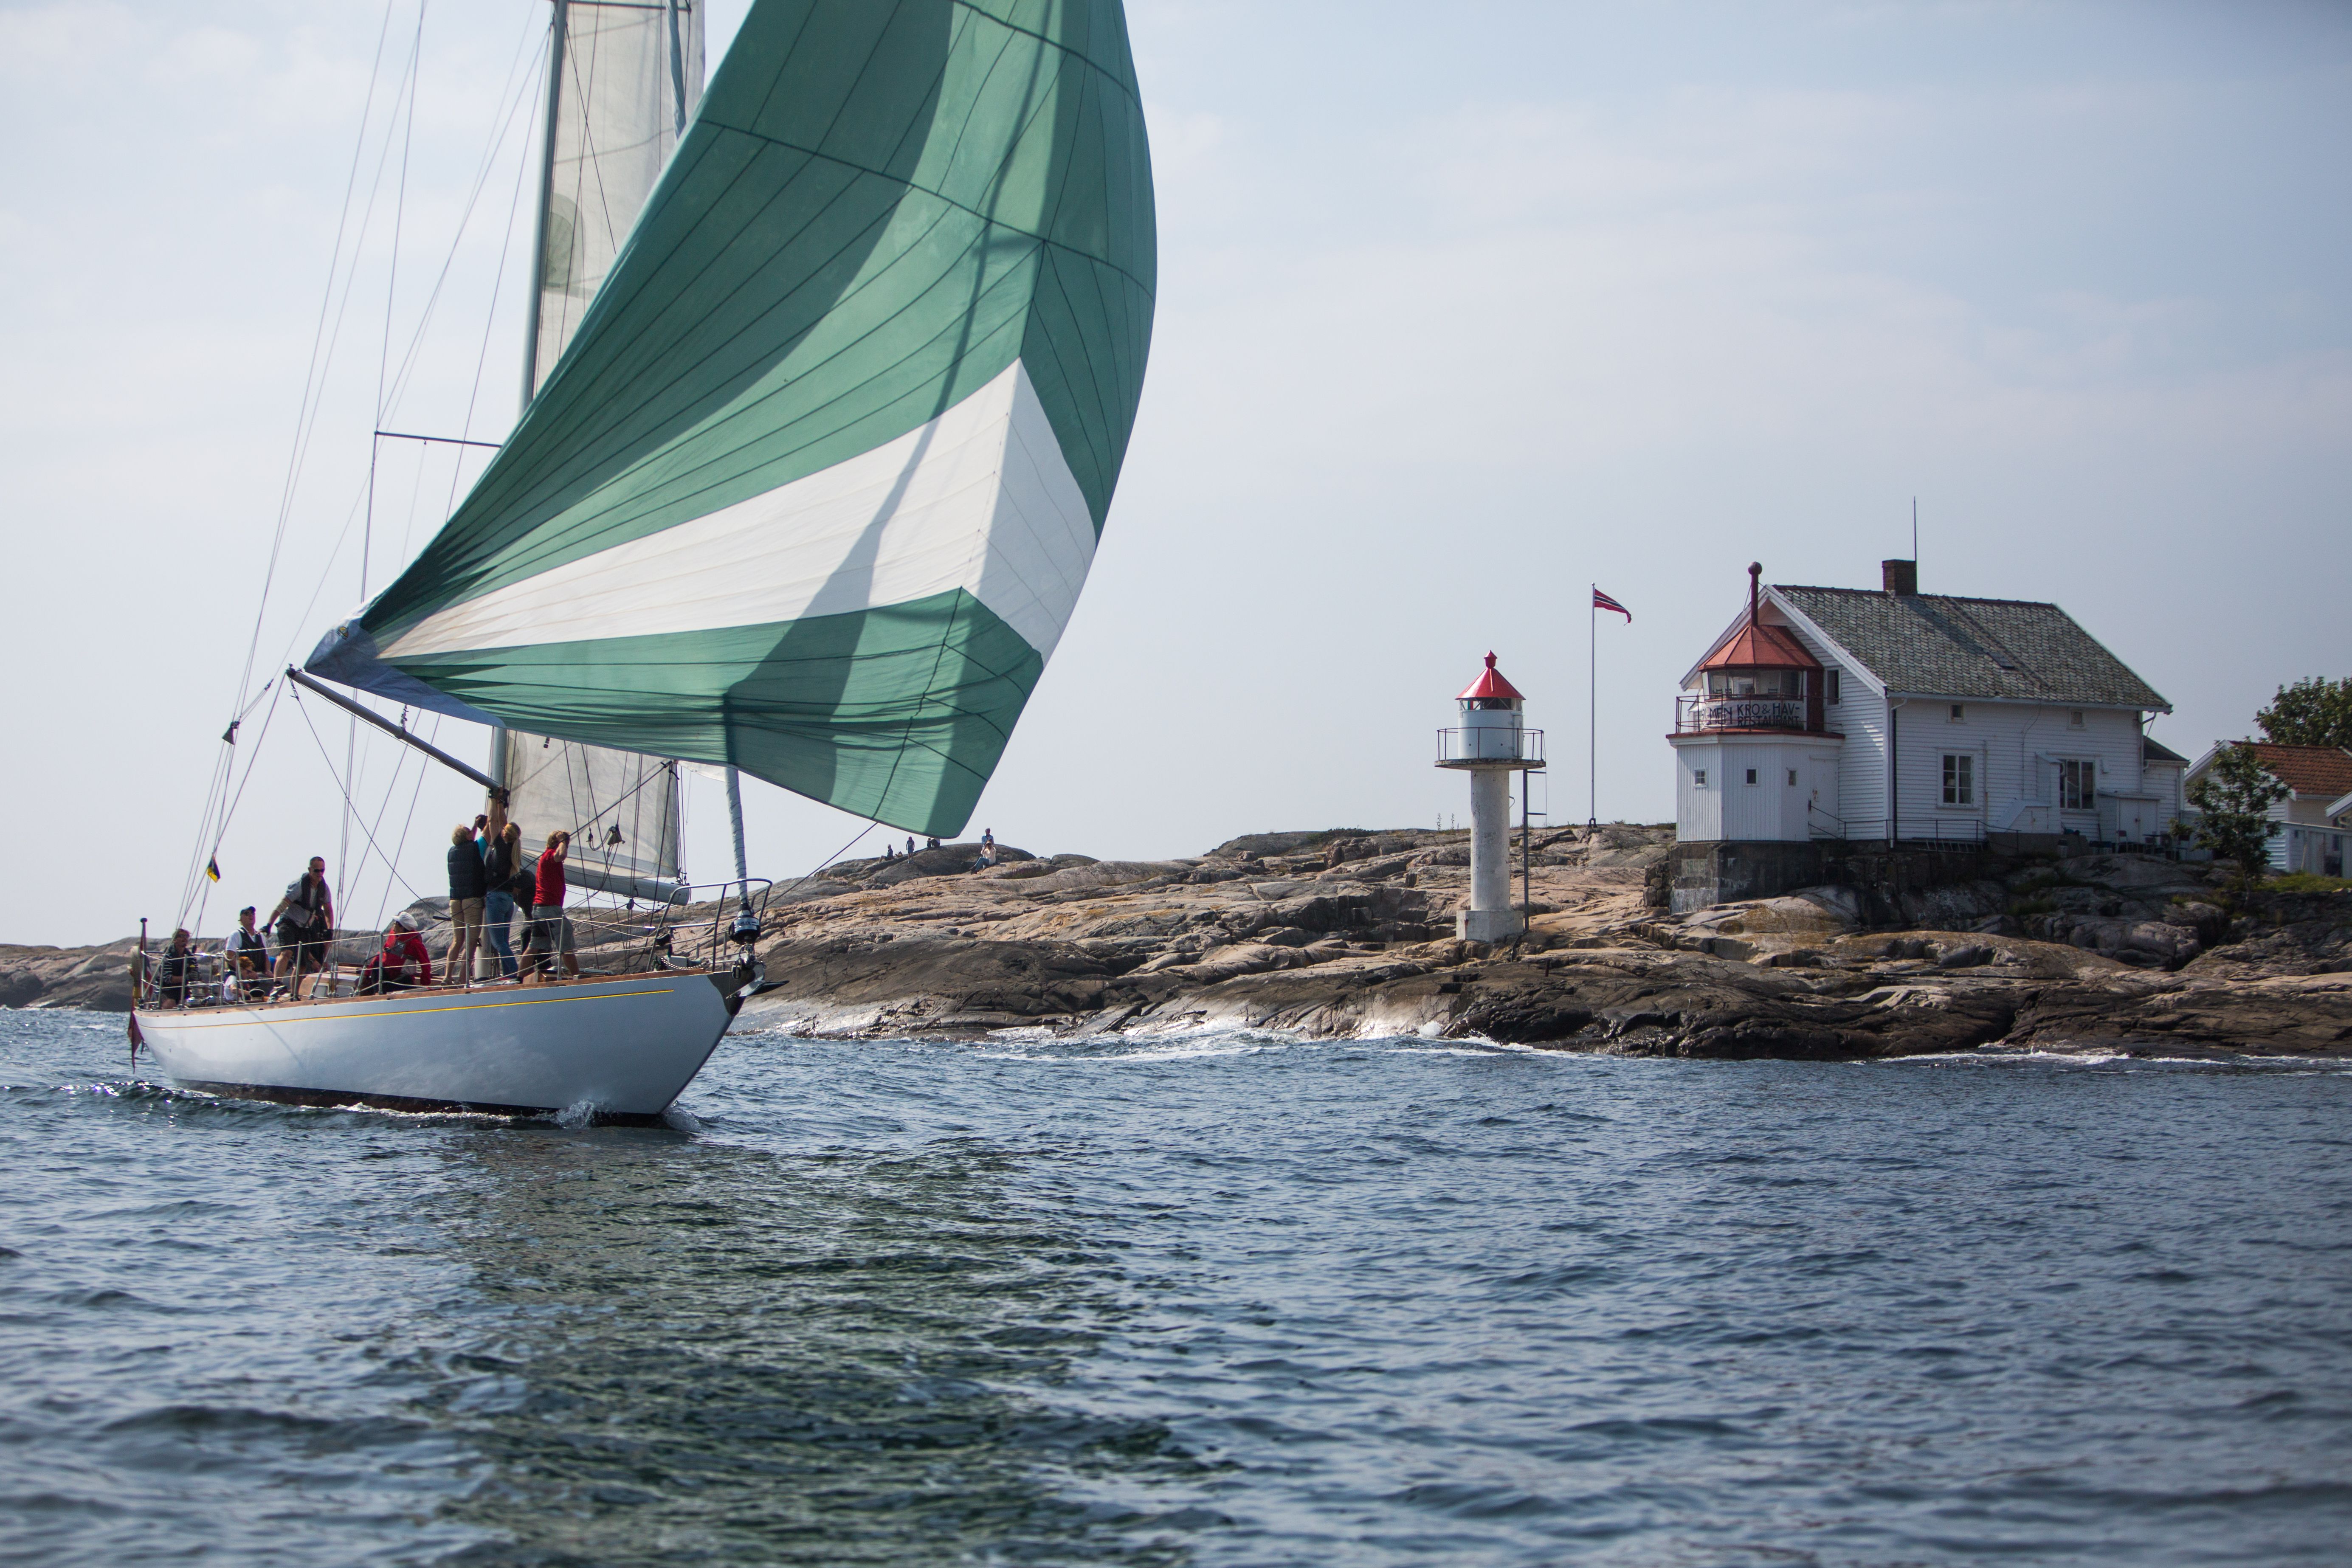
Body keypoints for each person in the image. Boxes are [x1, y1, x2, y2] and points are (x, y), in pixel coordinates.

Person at [267, 857, 334, 1000]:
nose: (320, 874)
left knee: (303, 964)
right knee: (287, 952)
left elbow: (328, 911)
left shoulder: (324, 889)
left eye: (323, 870)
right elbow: (282, 906)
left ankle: (294, 995)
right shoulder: (298, 886)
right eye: (317, 870)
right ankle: (277, 984)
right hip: (289, 923)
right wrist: (269, 925)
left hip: (305, 927)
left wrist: (330, 929)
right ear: (310, 870)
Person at [525, 829, 578, 984]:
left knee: (534, 946)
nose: (566, 847)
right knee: (566, 944)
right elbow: (561, 855)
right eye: (565, 844)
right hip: (549, 908)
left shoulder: (548, 858)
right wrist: (562, 841)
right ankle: (578, 979)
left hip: (541, 908)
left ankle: (519, 978)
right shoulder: (550, 856)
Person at [445, 822, 487, 985]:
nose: (473, 832)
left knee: (458, 940)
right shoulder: (476, 848)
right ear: (468, 836)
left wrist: (476, 825)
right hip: (472, 900)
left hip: (455, 901)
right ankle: (463, 980)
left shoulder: (452, 852)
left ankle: (447, 978)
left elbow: (470, 838)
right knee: (470, 943)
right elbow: (488, 834)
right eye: (470, 831)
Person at [480, 820, 522, 980]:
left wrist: (495, 802)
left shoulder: (502, 848)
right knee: (504, 942)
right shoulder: (513, 851)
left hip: (496, 898)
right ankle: (509, 974)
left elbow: (494, 824)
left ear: (505, 834)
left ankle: (514, 972)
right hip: (507, 900)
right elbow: (498, 824)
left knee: (498, 943)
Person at [356, 914, 433, 995]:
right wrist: (366, 974)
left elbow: (425, 964)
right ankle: (378, 993)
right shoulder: (393, 935)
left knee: (406, 979)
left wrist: (425, 983)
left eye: (396, 923)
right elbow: (382, 953)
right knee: (377, 965)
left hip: (402, 978)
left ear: (402, 928)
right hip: (388, 975)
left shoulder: (415, 944)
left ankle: (381, 992)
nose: (394, 925)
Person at [223, 906, 269, 1000]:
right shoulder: (236, 935)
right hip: (241, 975)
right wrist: (247, 971)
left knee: (269, 984)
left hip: (256, 977)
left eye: (253, 914)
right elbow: (229, 957)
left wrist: (268, 971)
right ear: (241, 919)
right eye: (247, 914)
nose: (251, 915)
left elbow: (266, 957)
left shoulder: (261, 936)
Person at [156, 927, 197, 1006]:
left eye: (186, 936)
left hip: (185, 989)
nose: (185, 938)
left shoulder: (191, 957)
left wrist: (196, 976)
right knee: (171, 1004)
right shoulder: (168, 956)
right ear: (175, 940)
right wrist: (185, 978)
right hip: (168, 990)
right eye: (181, 936)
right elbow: (167, 978)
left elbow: (196, 971)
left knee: (199, 1002)